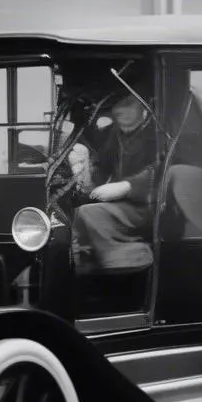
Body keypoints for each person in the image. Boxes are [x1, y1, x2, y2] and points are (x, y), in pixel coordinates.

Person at [71, 92, 158, 271]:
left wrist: (128, 187)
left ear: (144, 107)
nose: (120, 112)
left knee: (90, 213)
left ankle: (131, 256)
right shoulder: (115, 134)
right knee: (77, 213)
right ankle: (86, 263)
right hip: (124, 204)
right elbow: (103, 167)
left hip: (152, 205)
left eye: (127, 105)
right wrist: (86, 176)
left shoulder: (157, 132)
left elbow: (163, 169)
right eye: (117, 108)